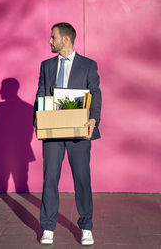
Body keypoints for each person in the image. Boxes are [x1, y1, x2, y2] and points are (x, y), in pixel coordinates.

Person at [34, 22, 102, 245]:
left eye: (53, 37)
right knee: (50, 179)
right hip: (53, 130)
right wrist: (39, 119)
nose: (50, 41)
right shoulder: (46, 65)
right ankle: (48, 227)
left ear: (65, 39)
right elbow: (41, 94)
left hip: (79, 130)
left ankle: (86, 227)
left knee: (82, 179)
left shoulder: (88, 65)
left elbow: (96, 95)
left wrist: (93, 118)